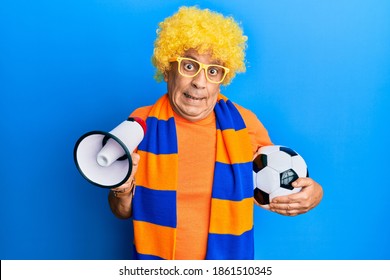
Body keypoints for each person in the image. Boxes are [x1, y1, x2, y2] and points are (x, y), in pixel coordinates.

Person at [108, 6, 323, 260]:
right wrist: (120, 189)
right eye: (189, 66)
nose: (200, 82)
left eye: (213, 71)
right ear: (167, 69)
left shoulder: (244, 124)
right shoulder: (140, 124)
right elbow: (121, 211)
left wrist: (313, 193)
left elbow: (274, 180)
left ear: (223, 78)